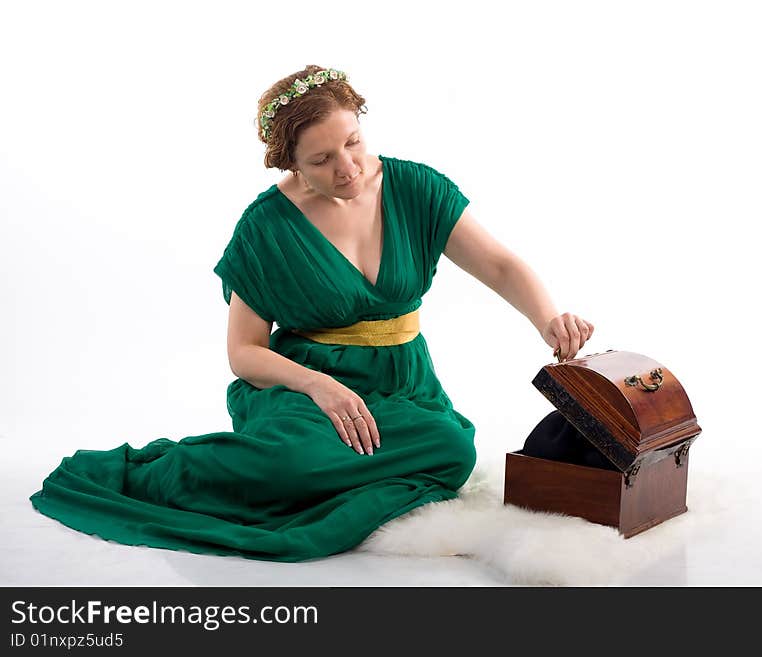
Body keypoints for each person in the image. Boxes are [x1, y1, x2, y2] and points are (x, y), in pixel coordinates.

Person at [30, 65, 595, 562]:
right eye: (322, 160)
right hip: (302, 385)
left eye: (353, 142)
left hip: (402, 385)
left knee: (452, 448)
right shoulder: (266, 227)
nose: (348, 167)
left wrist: (546, 318)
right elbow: (243, 353)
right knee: (293, 462)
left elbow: (497, 264)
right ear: (290, 163)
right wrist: (320, 387)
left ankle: (339, 477)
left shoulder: (415, 187)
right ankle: (174, 473)